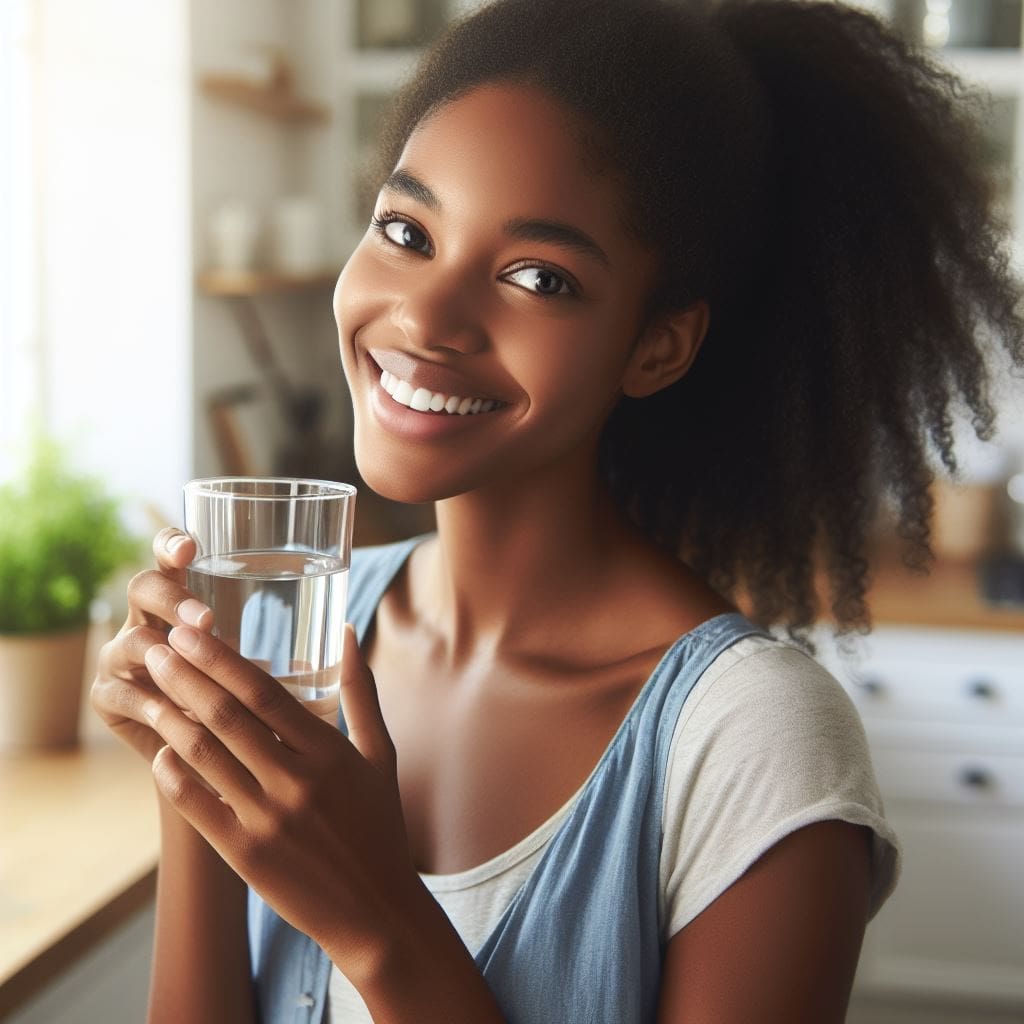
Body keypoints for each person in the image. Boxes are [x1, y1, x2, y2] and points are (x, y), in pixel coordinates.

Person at [92, 0, 1023, 1020]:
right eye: (406, 230)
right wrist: (191, 783)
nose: (425, 317)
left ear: (655, 345)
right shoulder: (280, 633)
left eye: (538, 276)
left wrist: (378, 923)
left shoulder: (751, 742)